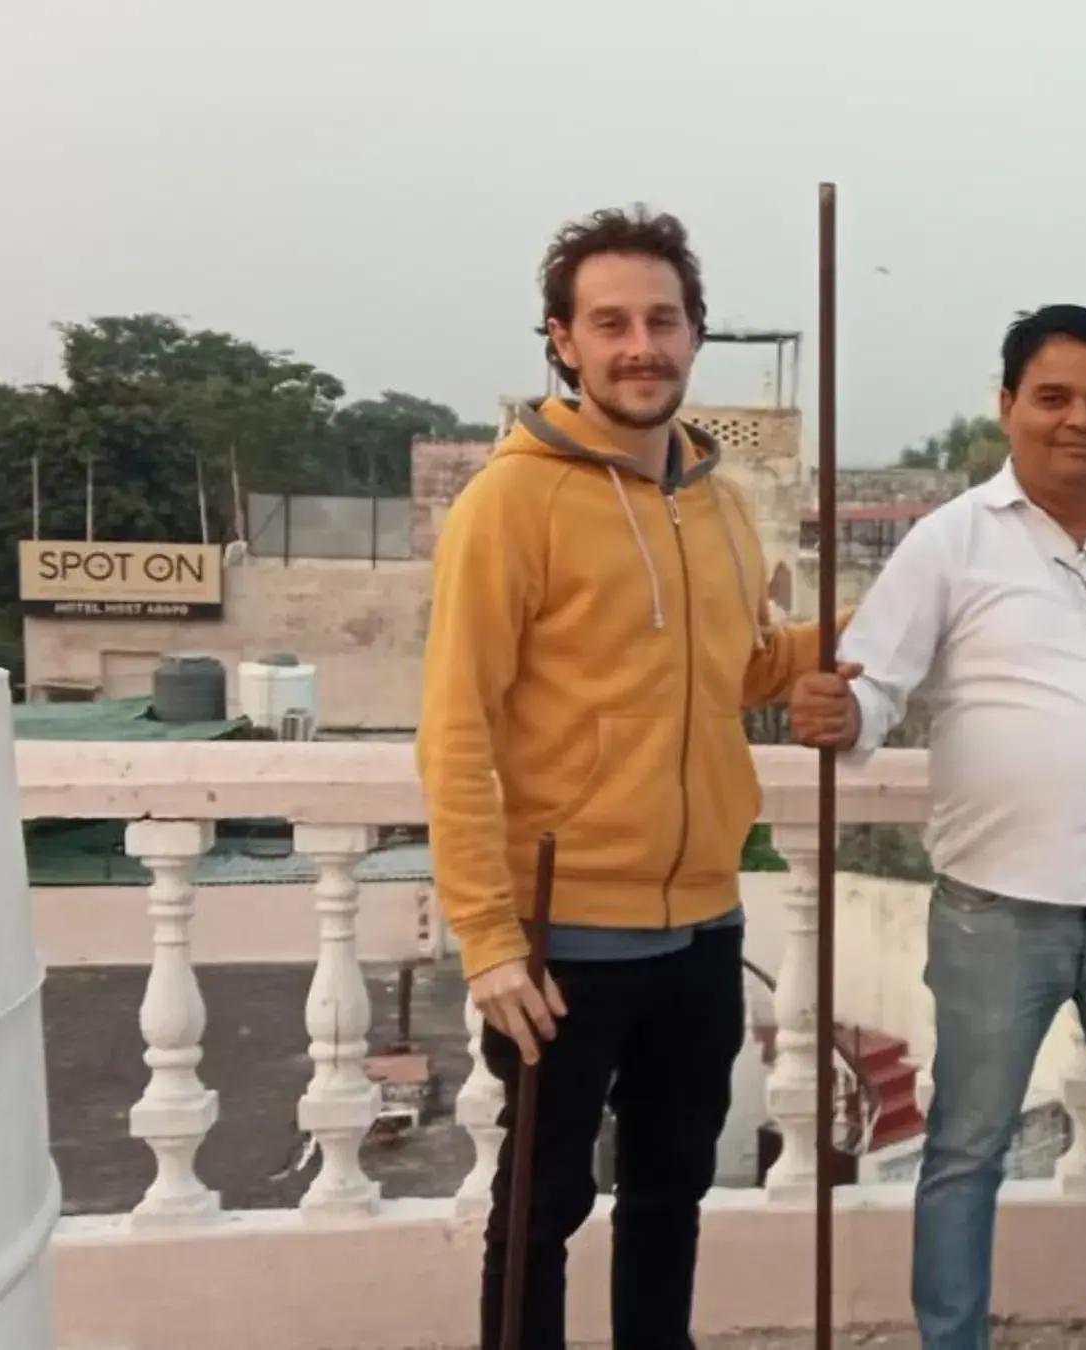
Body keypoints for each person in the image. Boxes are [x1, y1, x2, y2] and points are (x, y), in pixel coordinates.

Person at [786, 304, 1086, 1350]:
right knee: (965, 1148)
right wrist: (839, 711)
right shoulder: (950, 544)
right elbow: (877, 690)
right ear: (1007, 406)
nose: (1077, 421)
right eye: (1052, 398)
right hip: (998, 913)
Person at [418, 206, 835, 1350]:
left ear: (696, 333)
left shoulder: (717, 500)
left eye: (662, 319)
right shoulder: (512, 503)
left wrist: (859, 632)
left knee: (670, 1193)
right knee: (543, 1208)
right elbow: (454, 726)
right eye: (610, 323)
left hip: (702, 917)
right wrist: (489, 937)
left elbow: (743, 666)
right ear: (562, 340)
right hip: (564, 932)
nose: (639, 344)